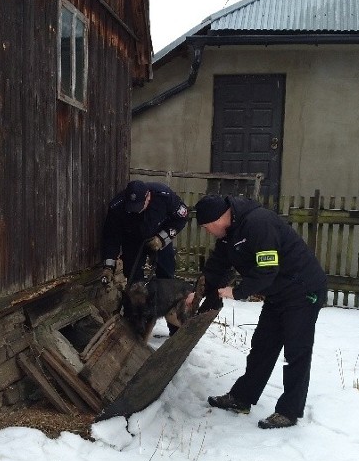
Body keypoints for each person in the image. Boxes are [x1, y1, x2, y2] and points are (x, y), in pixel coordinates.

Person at [188, 194, 327, 429]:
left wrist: (239, 292)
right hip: (278, 292)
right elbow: (216, 266)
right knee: (262, 346)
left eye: (206, 226)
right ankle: (241, 398)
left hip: (303, 290)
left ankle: (288, 411)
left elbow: (267, 269)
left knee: (296, 352)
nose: (206, 231)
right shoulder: (229, 234)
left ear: (217, 218)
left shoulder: (258, 223)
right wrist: (197, 293)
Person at [101, 179, 189, 286]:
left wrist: (161, 239)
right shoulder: (117, 207)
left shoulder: (164, 196)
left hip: (159, 235)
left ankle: (165, 296)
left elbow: (181, 218)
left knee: (166, 271)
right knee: (133, 276)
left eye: (139, 206)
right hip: (132, 239)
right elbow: (111, 237)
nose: (136, 211)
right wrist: (108, 266)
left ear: (148, 197)